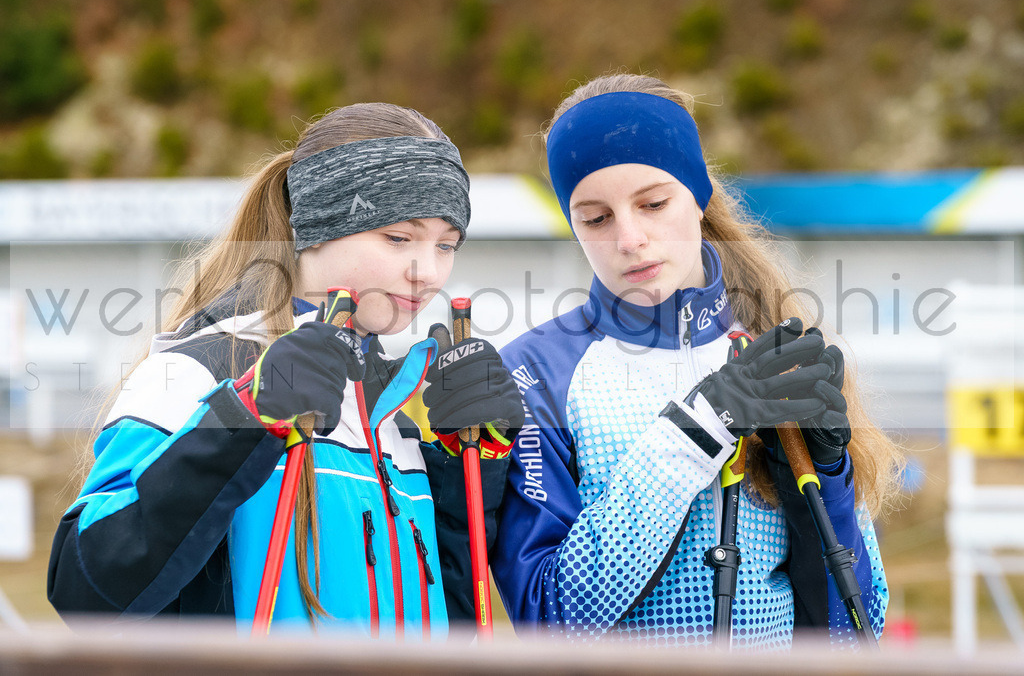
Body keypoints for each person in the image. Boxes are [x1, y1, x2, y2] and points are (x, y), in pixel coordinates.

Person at [47, 103, 524, 640]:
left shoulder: (397, 406)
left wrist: (469, 473)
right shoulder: (196, 371)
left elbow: (449, 624)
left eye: (446, 245)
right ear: (316, 227)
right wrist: (246, 420)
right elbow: (86, 590)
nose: (428, 272)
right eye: (398, 238)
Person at [490, 74, 902, 649]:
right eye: (596, 218)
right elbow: (551, 620)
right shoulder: (534, 373)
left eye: (653, 203)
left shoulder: (775, 348)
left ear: (699, 194)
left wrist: (827, 479)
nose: (630, 238)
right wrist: (696, 429)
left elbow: (857, 634)